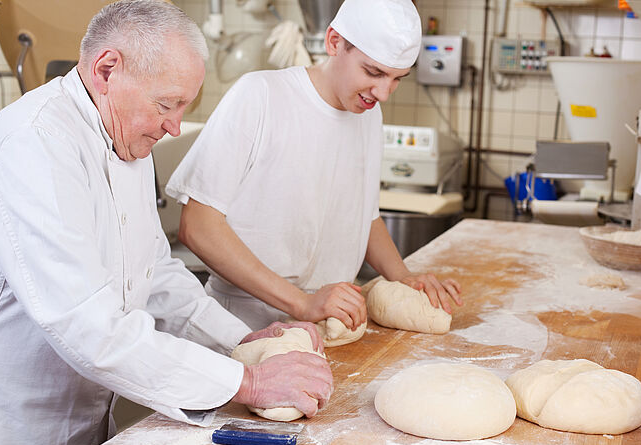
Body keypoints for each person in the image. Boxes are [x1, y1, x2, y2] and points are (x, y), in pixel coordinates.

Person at [0, 1, 331, 445]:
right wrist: (247, 382)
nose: (174, 126)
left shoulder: (125, 135)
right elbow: (87, 327)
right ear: (107, 70)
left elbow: (153, 274)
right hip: (18, 437)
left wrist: (237, 341)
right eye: (166, 104)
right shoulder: (33, 145)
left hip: (94, 429)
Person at [166, 0, 463, 332]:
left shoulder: (368, 114)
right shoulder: (260, 96)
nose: (383, 93)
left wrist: (404, 277)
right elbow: (197, 227)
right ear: (334, 42)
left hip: (330, 323)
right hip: (241, 325)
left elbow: (365, 216)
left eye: (397, 79)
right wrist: (301, 302)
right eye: (373, 72)